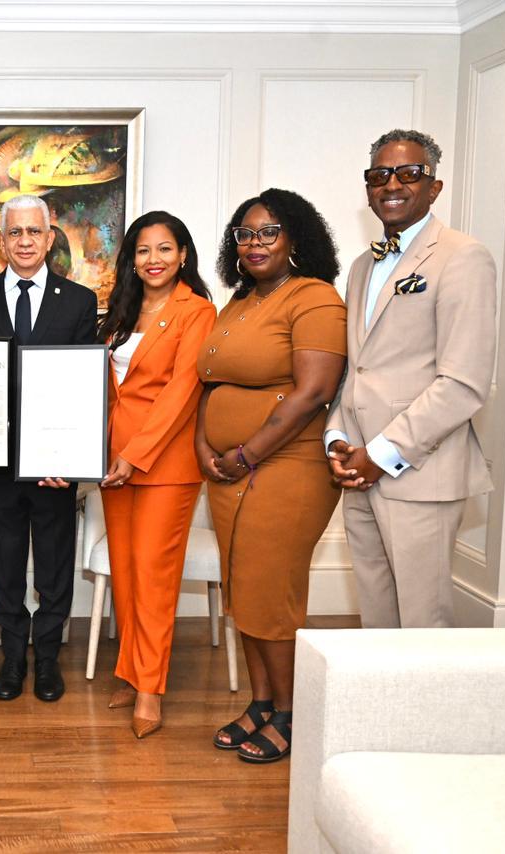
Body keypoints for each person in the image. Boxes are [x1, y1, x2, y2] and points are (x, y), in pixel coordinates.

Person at [196, 188, 346, 764]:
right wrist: (205, 446)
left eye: (268, 231)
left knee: (270, 593)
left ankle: (291, 714)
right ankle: (262, 703)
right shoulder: (237, 305)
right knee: (243, 592)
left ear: (296, 240)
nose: (254, 243)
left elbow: (313, 392)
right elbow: (209, 386)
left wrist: (247, 453)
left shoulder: (314, 298)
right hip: (229, 469)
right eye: (245, 233)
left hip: (286, 465)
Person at [326, 129, 496, 628]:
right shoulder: (362, 266)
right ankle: (382, 710)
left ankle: (432, 712)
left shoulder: (462, 256)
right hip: (357, 473)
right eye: (379, 175)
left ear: (434, 186)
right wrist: (337, 439)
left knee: (423, 626)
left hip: (418, 472)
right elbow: (356, 368)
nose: (391, 184)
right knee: (378, 620)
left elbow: (462, 382)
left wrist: (380, 455)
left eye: (408, 173)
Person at [0, 194, 98, 703]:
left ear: (49, 236)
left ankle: (49, 660)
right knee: (6, 563)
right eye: (14, 233)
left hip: (54, 462)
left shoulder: (80, 302)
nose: (23, 242)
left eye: (33, 233)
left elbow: (85, 388)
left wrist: (76, 462)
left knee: (56, 565)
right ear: (2, 238)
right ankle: (13, 658)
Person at [95, 211, 216, 738]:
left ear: (183, 254)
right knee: (124, 571)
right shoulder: (122, 309)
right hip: (112, 463)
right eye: (143, 251)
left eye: (164, 249)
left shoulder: (199, 311)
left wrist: (134, 454)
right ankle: (130, 670)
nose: (154, 260)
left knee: (153, 573)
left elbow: (181, 393)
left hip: (164, 464)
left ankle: (151, 688)